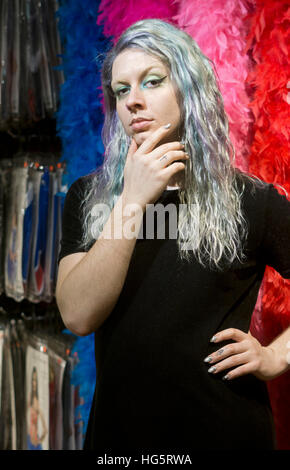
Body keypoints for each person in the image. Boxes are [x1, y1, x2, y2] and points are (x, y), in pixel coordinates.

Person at [56, 19, 290, 451]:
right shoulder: (89, 197)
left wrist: (276, 355)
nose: (134, 102)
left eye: (152, 81)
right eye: (121, 89)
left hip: (225, 432)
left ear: (188, 86)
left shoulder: (249, 201)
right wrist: (131, 202)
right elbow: (77, 315)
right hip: (122, 441)